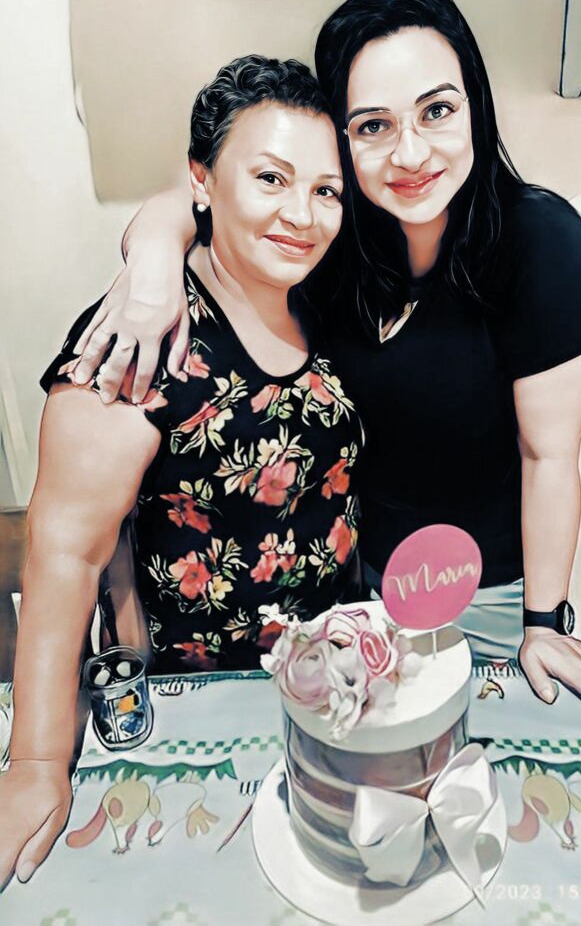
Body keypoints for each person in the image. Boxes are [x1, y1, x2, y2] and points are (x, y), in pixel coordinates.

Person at [70, 0, 581, 726]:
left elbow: (549, 456)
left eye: (437, 111)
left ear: (475, 105)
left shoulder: (542, 246)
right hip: (349, 594)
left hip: (484, 594)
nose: (410, 153)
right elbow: (205, 194)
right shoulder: (333, 236)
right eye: (373, 125)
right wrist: (150, 262)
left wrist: (544, 623)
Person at [0, 55, 363, 889]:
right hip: (199, 702)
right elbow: (65, 554)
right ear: (202, 178)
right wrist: (36, 762)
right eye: (270, 178)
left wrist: (159, 229)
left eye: (326, 191)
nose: (302, 214)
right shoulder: (141, 337)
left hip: (333, 688)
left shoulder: (326, 296)